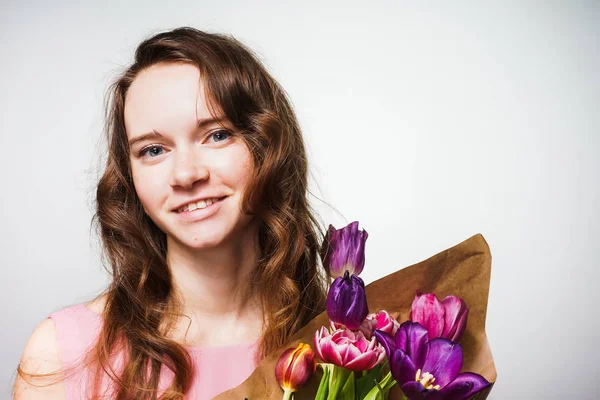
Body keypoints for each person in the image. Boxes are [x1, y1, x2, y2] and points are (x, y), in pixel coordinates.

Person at [14, 27, 329, 399]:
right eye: (153, 150)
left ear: (267, 145)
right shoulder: (61, 356)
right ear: (129, 176)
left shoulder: (349, 343)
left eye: (217, 135)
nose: (186, 174)